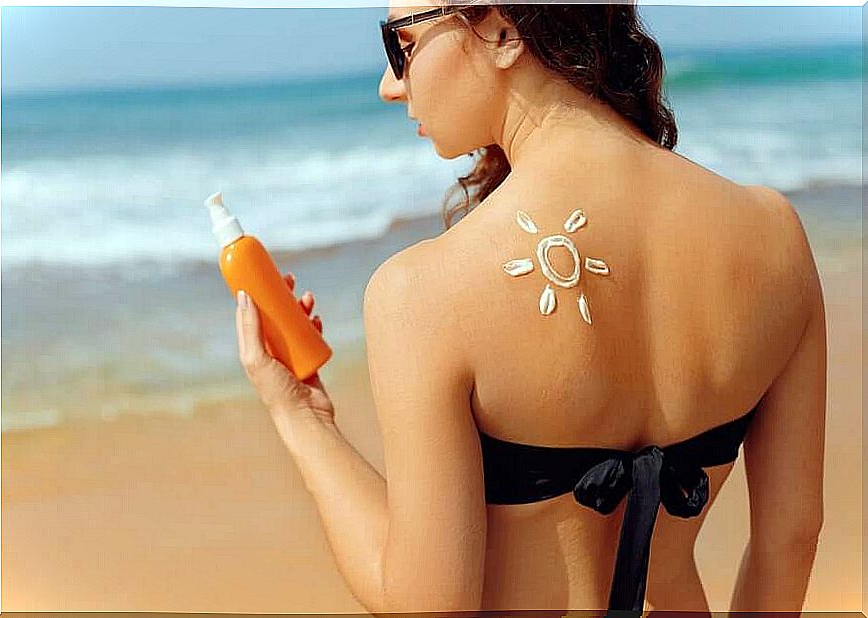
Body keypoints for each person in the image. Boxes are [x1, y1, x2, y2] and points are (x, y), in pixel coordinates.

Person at [235, 1, 826, 614]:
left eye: (399, 45)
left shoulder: (422, 295)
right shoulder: (774, 234)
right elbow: (791, 538)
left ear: (500, 30)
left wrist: (301, 414)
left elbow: (429, 605)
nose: (390, 85)